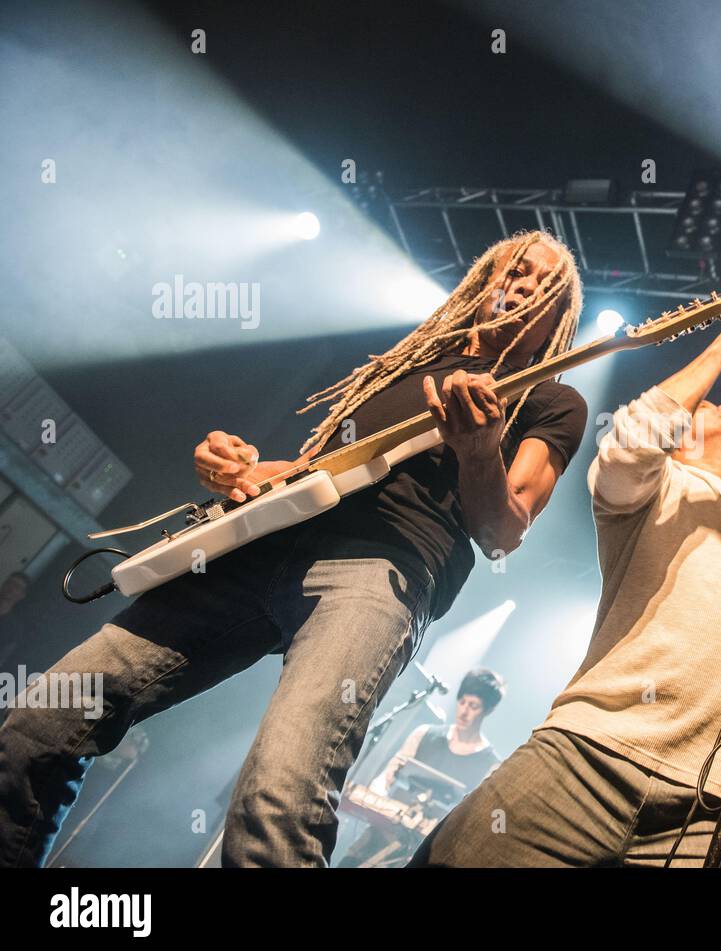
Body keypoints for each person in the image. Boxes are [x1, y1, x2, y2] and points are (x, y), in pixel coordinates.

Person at [0, 231, 588, 867]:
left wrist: (478, 451)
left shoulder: (550, 399)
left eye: (545, 286)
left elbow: (504, 531)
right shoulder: (404, 364)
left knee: (278, 797)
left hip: (380, 571)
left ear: (558, 320)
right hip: (262, 548)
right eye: (515, 271)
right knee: (45, 719)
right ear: (482, 281)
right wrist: (240, 469)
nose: (525, 287)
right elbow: (312, 473)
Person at [408, 294, 721, 867]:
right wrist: (720, 349)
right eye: (709, 406)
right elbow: (635, 439)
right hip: (590, 753)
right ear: (678, 435)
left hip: (720, 805)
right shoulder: (652, 488)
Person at [336, 668, 504, 867]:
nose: (464, 711)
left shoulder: (490, 765)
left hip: (428, 853)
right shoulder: (424, 734)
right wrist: (376, 799)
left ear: (487, 710)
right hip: (380, 836)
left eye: (473, 706)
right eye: (462, 702)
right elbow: (385, 778)